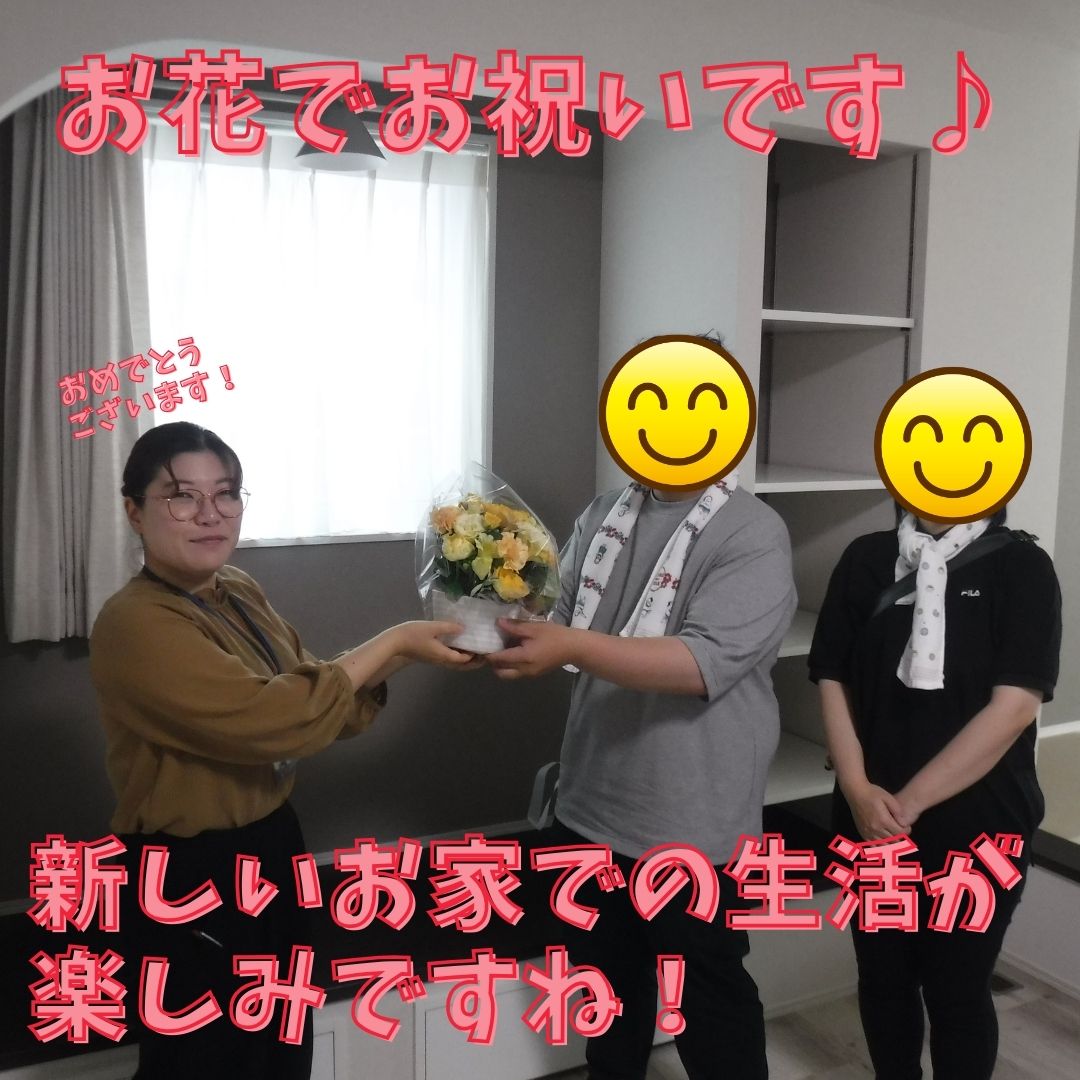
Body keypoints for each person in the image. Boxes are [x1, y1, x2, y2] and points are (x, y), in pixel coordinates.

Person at [89, 421, 474, 1078]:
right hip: (190, 872)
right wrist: (398, 641)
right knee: (201, 1058)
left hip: (271, 846)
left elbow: (310, 693)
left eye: (226, 493)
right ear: (134, 512)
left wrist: (416, 650)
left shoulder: (236, 589)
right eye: (181, 496)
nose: (210, 513)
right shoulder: (134, 622)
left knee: (281, 1040)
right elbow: (272, 718)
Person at [487, 473, 796, 1080]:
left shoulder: (753, 532)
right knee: (606, 999)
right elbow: (557, 615)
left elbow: (700, 663)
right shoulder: (603, 513)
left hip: (694, 824)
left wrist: (567, 644)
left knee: (709, 1006)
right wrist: (488, 599)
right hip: (588, 806)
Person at [808, 508, 1061, 1080]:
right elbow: (831, 675)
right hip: (868, 818)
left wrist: (909, 804)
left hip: (980, 825)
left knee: (958, 989)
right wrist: (857, 789)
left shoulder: (1022, 566)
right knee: (883, 979)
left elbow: (1015, 706)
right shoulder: (866, 558)